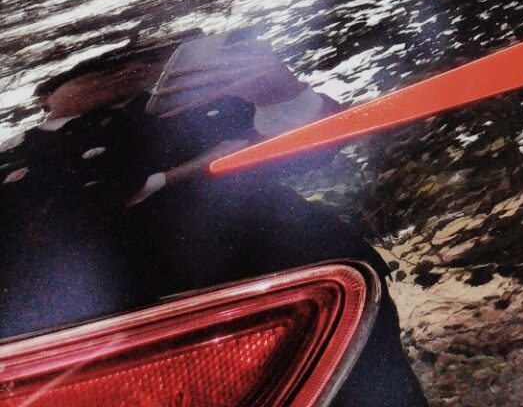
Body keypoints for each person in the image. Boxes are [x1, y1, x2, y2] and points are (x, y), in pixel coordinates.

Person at [0, 30, 425, 406]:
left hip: (320, 295)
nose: (121, 73)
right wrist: (184, 173)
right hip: (124, 339)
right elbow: (52, 221)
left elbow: (316, 149)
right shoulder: (16, 156)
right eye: (93, 71)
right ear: (44, 95)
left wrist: (280, 94)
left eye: (139, 61)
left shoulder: (206, 104)